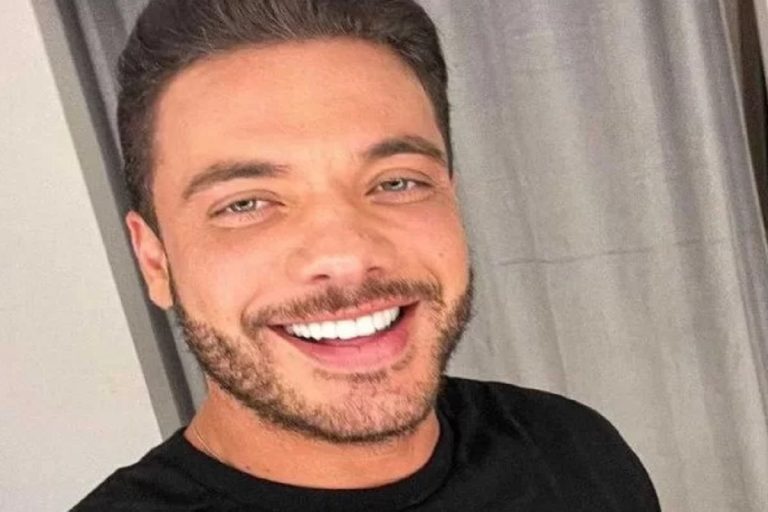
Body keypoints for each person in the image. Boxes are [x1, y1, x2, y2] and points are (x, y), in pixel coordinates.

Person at [72, 1, 660, 510]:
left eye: (397, 182)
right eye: (246, 203)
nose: (347, 256)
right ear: (155, 261)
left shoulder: (574, 449)